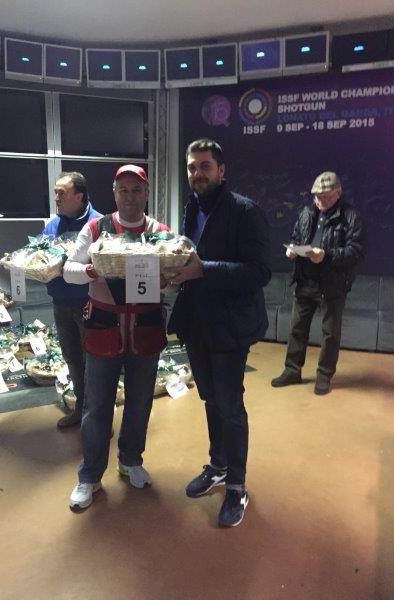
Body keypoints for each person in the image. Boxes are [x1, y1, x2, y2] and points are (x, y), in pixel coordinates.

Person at [168, 139, 271, 528]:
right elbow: (190, 260)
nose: (197, 173)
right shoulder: (192, 207)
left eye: (205, 166)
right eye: (192, 167)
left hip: (230, 326)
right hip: (196, 323)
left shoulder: (246, 211)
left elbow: (259, 272)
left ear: (221, 170)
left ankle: (237, 486)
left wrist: (204, 269)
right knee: (211, 399)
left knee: (229, 404)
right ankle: (219, 465)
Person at [63, 164, 170, 510]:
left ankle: (131, 461)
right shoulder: (96, 229)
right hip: (104, 328)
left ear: (146, 193)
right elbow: (68, 270)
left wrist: (169, 277)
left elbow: (177, 271)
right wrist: (93, 269)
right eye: (123, 190)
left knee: (140, 403)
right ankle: (90, 476)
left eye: (136, 189)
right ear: (114, 193)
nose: (130, 196)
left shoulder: (160, 232)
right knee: (96, 408)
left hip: (145, 330)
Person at [271, 171, 365, 395]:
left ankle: (324, 376)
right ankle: (292, 370)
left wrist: (327, 255)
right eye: (317, 197)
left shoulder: (351, 217)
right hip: (305, 280)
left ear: (338, 193)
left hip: (332, 285)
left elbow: (356, 252)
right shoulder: (306, 212)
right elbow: (296, 237)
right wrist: (291, 250)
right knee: (297, 329)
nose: (320, 201)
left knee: (330, 334)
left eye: (326, 197)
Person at [43, 172, 101, 428]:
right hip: (60, 304)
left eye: (62, 193)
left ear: (79, 196)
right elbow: (41, 256)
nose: (56, 198)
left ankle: (98, 417)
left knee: (95, 363)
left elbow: (103, 266)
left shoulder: (98, 224)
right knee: (73, 360)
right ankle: (80, 409)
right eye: (55, 192)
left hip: (90, 304)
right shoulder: (52, 226)